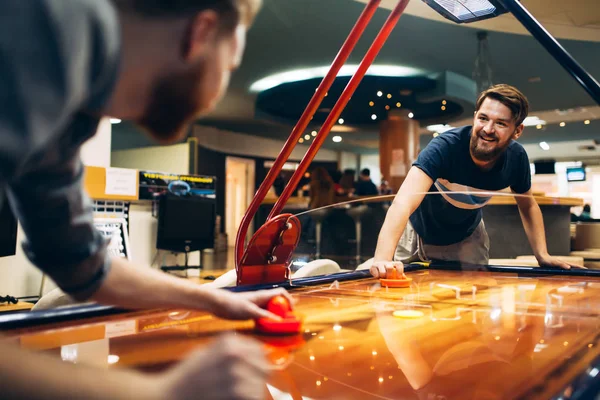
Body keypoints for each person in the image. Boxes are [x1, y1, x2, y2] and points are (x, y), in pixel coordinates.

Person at [0, 0, 291, 399]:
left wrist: (218, 301)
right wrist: (162, 393)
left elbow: (82, 264)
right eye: (229, 68)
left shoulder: (71, 111)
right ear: (201, 32)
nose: (216, 96)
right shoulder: (46, 26)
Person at [370, 84, 584, 279]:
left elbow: (527, 205)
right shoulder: (445, 146)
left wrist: (542, 254)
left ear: (517, 130)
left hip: (467, 236)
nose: (488, 129)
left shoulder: (516, 159)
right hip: (417, 232)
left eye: (500, 123)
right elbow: (403, 202)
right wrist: (382, 258)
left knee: (472, 305)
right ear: (474, 117)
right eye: (483, 118)